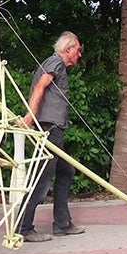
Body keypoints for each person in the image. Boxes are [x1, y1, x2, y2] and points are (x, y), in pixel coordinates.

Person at [20, 31, 85, 242]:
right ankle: (24, 228)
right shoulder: (55, 62)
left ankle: (62, 224)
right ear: (68, 49)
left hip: (55, 127)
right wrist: (30, 115)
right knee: (41, 178)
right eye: (78, 50)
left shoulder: (56, 64)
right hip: (49, 127)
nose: (79, 54)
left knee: (66, 171)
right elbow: (41, 85)